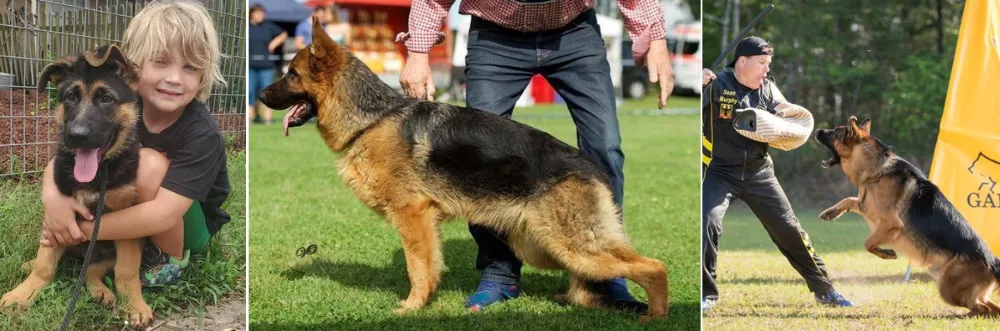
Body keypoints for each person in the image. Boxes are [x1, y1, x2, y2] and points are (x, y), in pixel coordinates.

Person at [398, 0, 674, 312]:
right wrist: (418, 53)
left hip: (574, 33)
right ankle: (499, 273)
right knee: (479, 157)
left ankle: (603, 275)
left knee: (605, 147)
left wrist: (657, 41)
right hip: (495, 38)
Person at [40, 0, 231, 287]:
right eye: (161, 61)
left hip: (186, 223)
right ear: (131, 69)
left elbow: (163, 214)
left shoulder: (202, 133)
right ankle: (113, 252)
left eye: (190, 67)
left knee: (149, 163)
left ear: (204, 75)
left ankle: (165, 257)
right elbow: (61, 162)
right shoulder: (118, 104)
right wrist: (54, 203)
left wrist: (79, 229)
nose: (174, 79)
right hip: (137, 207)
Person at [700, 36, 853, 311]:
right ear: (742, 62)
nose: (766, 69)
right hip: (719, 171)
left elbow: (787, 113)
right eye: (762, 63)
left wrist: (793, 121)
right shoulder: (715, 84)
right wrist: (696, 83)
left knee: (790, 230)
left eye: (768, 64)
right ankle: (707, 295)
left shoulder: (768, 88)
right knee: (707, 223)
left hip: (760, 172)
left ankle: (825, 290)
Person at [248, 3, 287, 125]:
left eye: (262, 13)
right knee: (250, 91)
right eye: (258, 13)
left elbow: (283, 34)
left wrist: (274, 43)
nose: (260, 16)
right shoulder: (247, 27)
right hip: (250, 65)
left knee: (267, 92)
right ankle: (251, 118)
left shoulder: (268, 26)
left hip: (266, 66)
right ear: (251, 14)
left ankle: (267, 118)